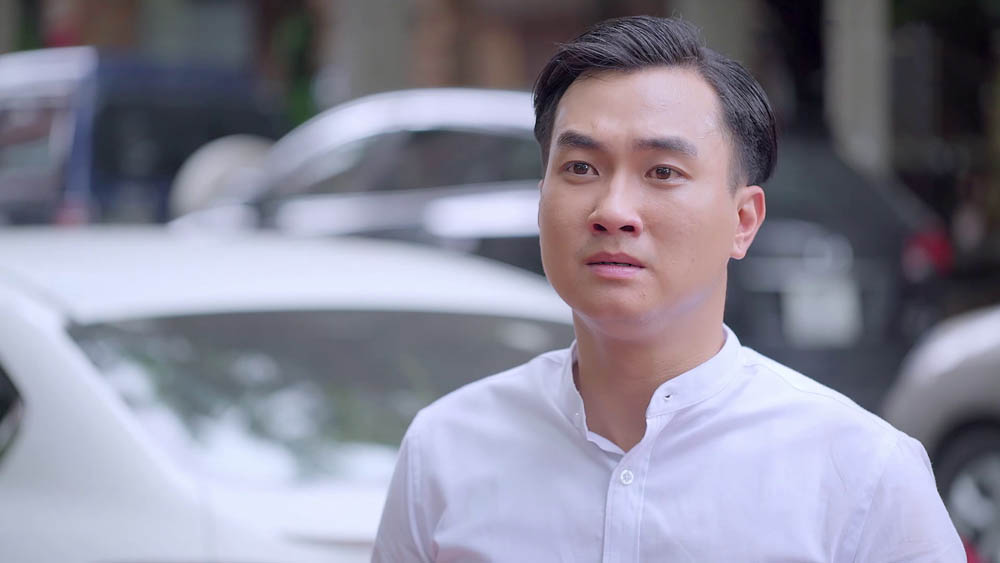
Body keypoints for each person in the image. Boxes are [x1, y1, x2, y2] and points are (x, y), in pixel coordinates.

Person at [372, 15, 963, 562]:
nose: (613, 210)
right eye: (581, 168)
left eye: (662, 172)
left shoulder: (863, 475)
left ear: (744, 221)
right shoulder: (445, 452)